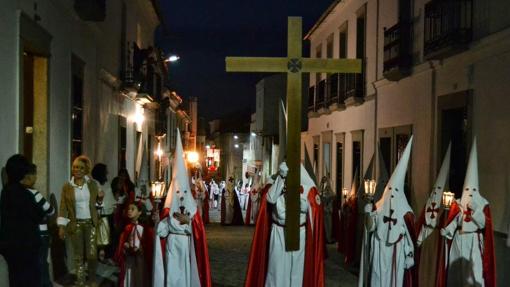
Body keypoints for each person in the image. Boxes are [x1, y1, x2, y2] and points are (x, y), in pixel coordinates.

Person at [244, 162, 325, 287]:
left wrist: (302, 205)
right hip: (279, 232)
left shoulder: (308, 187)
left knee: (297, 272)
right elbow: (270, 198)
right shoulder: (275, 181)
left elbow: (314, 211)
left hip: (299, 233)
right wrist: (281, 178)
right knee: (276, 271)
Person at [153, 130, 211, 287]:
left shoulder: (193, 211)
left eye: (184, 192)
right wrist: (158, 222)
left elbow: (199, 233)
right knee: (172, 277)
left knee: (185, 277)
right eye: (177, 192)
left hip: (186, 247)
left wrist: (190, 222)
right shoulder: (167, 210)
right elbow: (161, 232)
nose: (181, 196)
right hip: (172, 245)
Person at [359, 137, 416, 287]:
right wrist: (368, 214)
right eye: (389, 190)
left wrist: (409, 253)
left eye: (395, 190)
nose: (391, 194)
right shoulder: (377, 207)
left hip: (396, 253)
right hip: (379, 250)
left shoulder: (406, 213)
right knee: (377, 279)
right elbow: (370, 228)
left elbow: (410, 237)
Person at [438, 139, 496, 287]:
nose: (470, 193)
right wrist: (448, 231)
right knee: (456, 276)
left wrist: (476, 211)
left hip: (474, 242)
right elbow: (455, 221)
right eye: (467, 190)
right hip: (458, 241)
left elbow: (485, 224)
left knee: (473, 275)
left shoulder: (483, 204)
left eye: (473, 190)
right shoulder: (457, 203)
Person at [0, 155, 55, 287]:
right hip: (26, 246)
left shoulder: (5, 191)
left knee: (15, 279)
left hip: (9, 245)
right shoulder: (25, 194)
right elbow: (40, 215)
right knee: (31, 279)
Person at [57, 155, 104, 286]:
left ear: (86, 170)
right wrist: (61, 226)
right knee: (78, 255)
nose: (77, 170)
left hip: (91, 223)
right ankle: (80, 280)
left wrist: (100, 199)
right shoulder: (67, 186)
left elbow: (98, 206)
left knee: (92, 254)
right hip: (75, 223)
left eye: (80, 167)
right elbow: (63, 207)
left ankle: (92, 278)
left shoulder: (93, 184)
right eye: (75, 167)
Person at [414, 144, 451, 287]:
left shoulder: (447, 208)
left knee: (434, 270)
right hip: (426, 241)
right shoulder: (429, 204)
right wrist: (419, 238)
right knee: (425, 268)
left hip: (437, 242)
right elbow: (423, 221)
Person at [115, 199, 154, 286]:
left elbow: (145, 245)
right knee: (129, 278)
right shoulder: (127, 227)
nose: (129, 211)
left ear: (139, 212)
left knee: (138, 278)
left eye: (133, 209)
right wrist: (125, 246)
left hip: (139, 260)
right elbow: (123, 242)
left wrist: (136, 248)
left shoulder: (142, 228)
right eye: (128, 209)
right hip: (129, 259)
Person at [91, 163, 115, 262]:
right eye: (105, 171)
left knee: (109, 236)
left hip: (109, 212)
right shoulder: (93, 183)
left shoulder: (106, 182)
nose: (107, 173)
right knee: (99, 236)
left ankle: (107, 256)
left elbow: (110, 196)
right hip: (100, 213)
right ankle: (98, 257)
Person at [320, 175, 335, 243]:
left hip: (327, 210)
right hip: (321, 210)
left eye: (325, 180)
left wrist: (327, 207)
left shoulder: (329, 189)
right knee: (322, 226)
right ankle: (323, 239)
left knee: (328, 225)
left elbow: (332, 196)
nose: (324, 181)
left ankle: (328, 238)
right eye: (323, 180)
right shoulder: (320, 189)